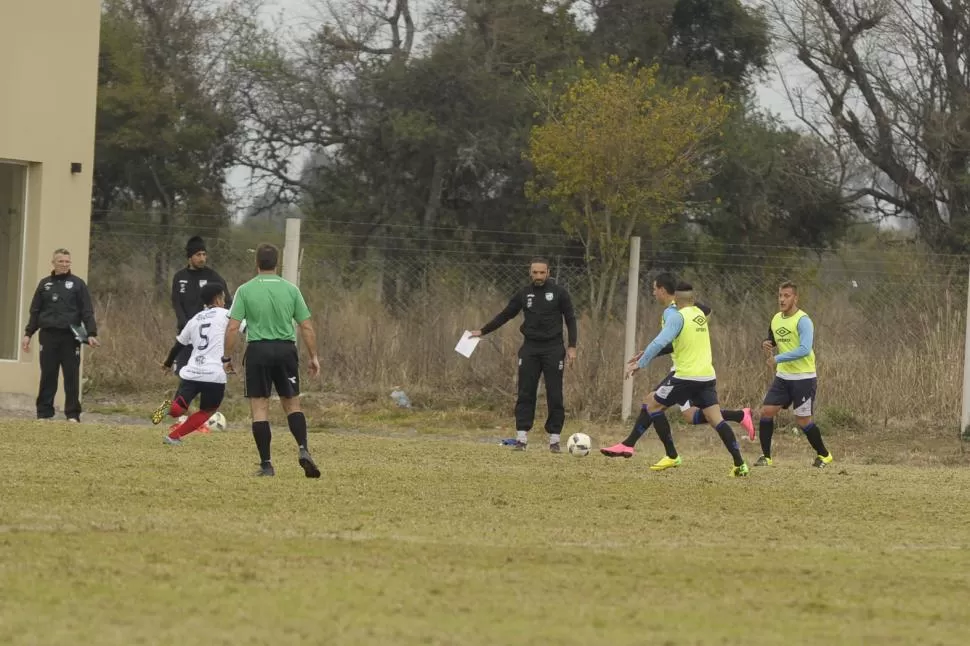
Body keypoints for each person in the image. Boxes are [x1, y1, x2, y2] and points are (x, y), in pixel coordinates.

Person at [603, 281, 749, 477]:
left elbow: (660, 341)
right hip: (707, 376)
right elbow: (690, 330)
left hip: (685, 377)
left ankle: (669, 455)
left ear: (676, 300)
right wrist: (646, 354)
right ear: (693, 299)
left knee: (651, 404)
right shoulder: (699, 315)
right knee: (716, 419)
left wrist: (641, 363)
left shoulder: (677, 317)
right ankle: (740, 464)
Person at [223, 243, 321, 478]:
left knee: (260, 407)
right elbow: (306, 326)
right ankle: (303, 448)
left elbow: (233, 327)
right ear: (277, 264)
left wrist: (226, 357)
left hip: (259, 350)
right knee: (292, 404)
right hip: (286, 349)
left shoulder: (245, 290)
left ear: (256, 262)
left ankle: (266, 464)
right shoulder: (291, 289)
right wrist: (313, 356)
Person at [470, 257, 578, 453]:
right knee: (525, 392)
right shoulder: (524, 293)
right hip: (530, 348)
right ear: (530, 273)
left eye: (542, 272)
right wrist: (483, 331)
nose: (538, 276)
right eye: (535, 272)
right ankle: (521, 437)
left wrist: (572, 347)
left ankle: (554, 439)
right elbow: (506, 314)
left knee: (555, 394)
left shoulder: (559, 293)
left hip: (553, 349)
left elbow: (570, 319)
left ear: (548, 273)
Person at [755, 281, 833, 468]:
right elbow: (772, 339)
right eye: (780, 295)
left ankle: (824, 455)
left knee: (803, 420)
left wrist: (778, 359)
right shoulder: (775, 319)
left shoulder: (803, 320)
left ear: (795, 298)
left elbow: (805, 349)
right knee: (766, 412)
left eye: (786, 296)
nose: (782, 299)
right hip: (783, 377)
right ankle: (766, 457)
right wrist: (766, 343)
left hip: (804, 378)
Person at [21, 248, 100, 422]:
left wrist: (91, 333)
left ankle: (72, 414)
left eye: (67, 262)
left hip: (70, 337)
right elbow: (35, 311)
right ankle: (44, 413)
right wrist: (28, 334)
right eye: (61, 261)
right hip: (48, 336)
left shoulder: (78, 284)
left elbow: (87, 311)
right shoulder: (44, 284)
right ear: (53, 263)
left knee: (71, 375)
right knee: (48, 374)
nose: (64, 264)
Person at [155, 283, 230, 445]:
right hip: (214, 374)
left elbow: (178, 345)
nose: (224, 301)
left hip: (193, 372)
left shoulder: (195, 319)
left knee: (178, 410)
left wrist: (167, 364)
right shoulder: (226, 314)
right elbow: (246, 328)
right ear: (217, 299)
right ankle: (173, 436)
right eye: (223, 297)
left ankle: (164, 409)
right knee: (208, 410)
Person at [170, 236, 231, 374]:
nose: (202, 258)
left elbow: (227, 301)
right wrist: (184, 323)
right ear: (190, 257)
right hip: (187, 332)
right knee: (183, 372)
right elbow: (176, 302)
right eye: (198, 255)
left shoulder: (213, 277)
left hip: (208, 335)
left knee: (207, 372)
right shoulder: (179, 277)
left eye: (204, 254)